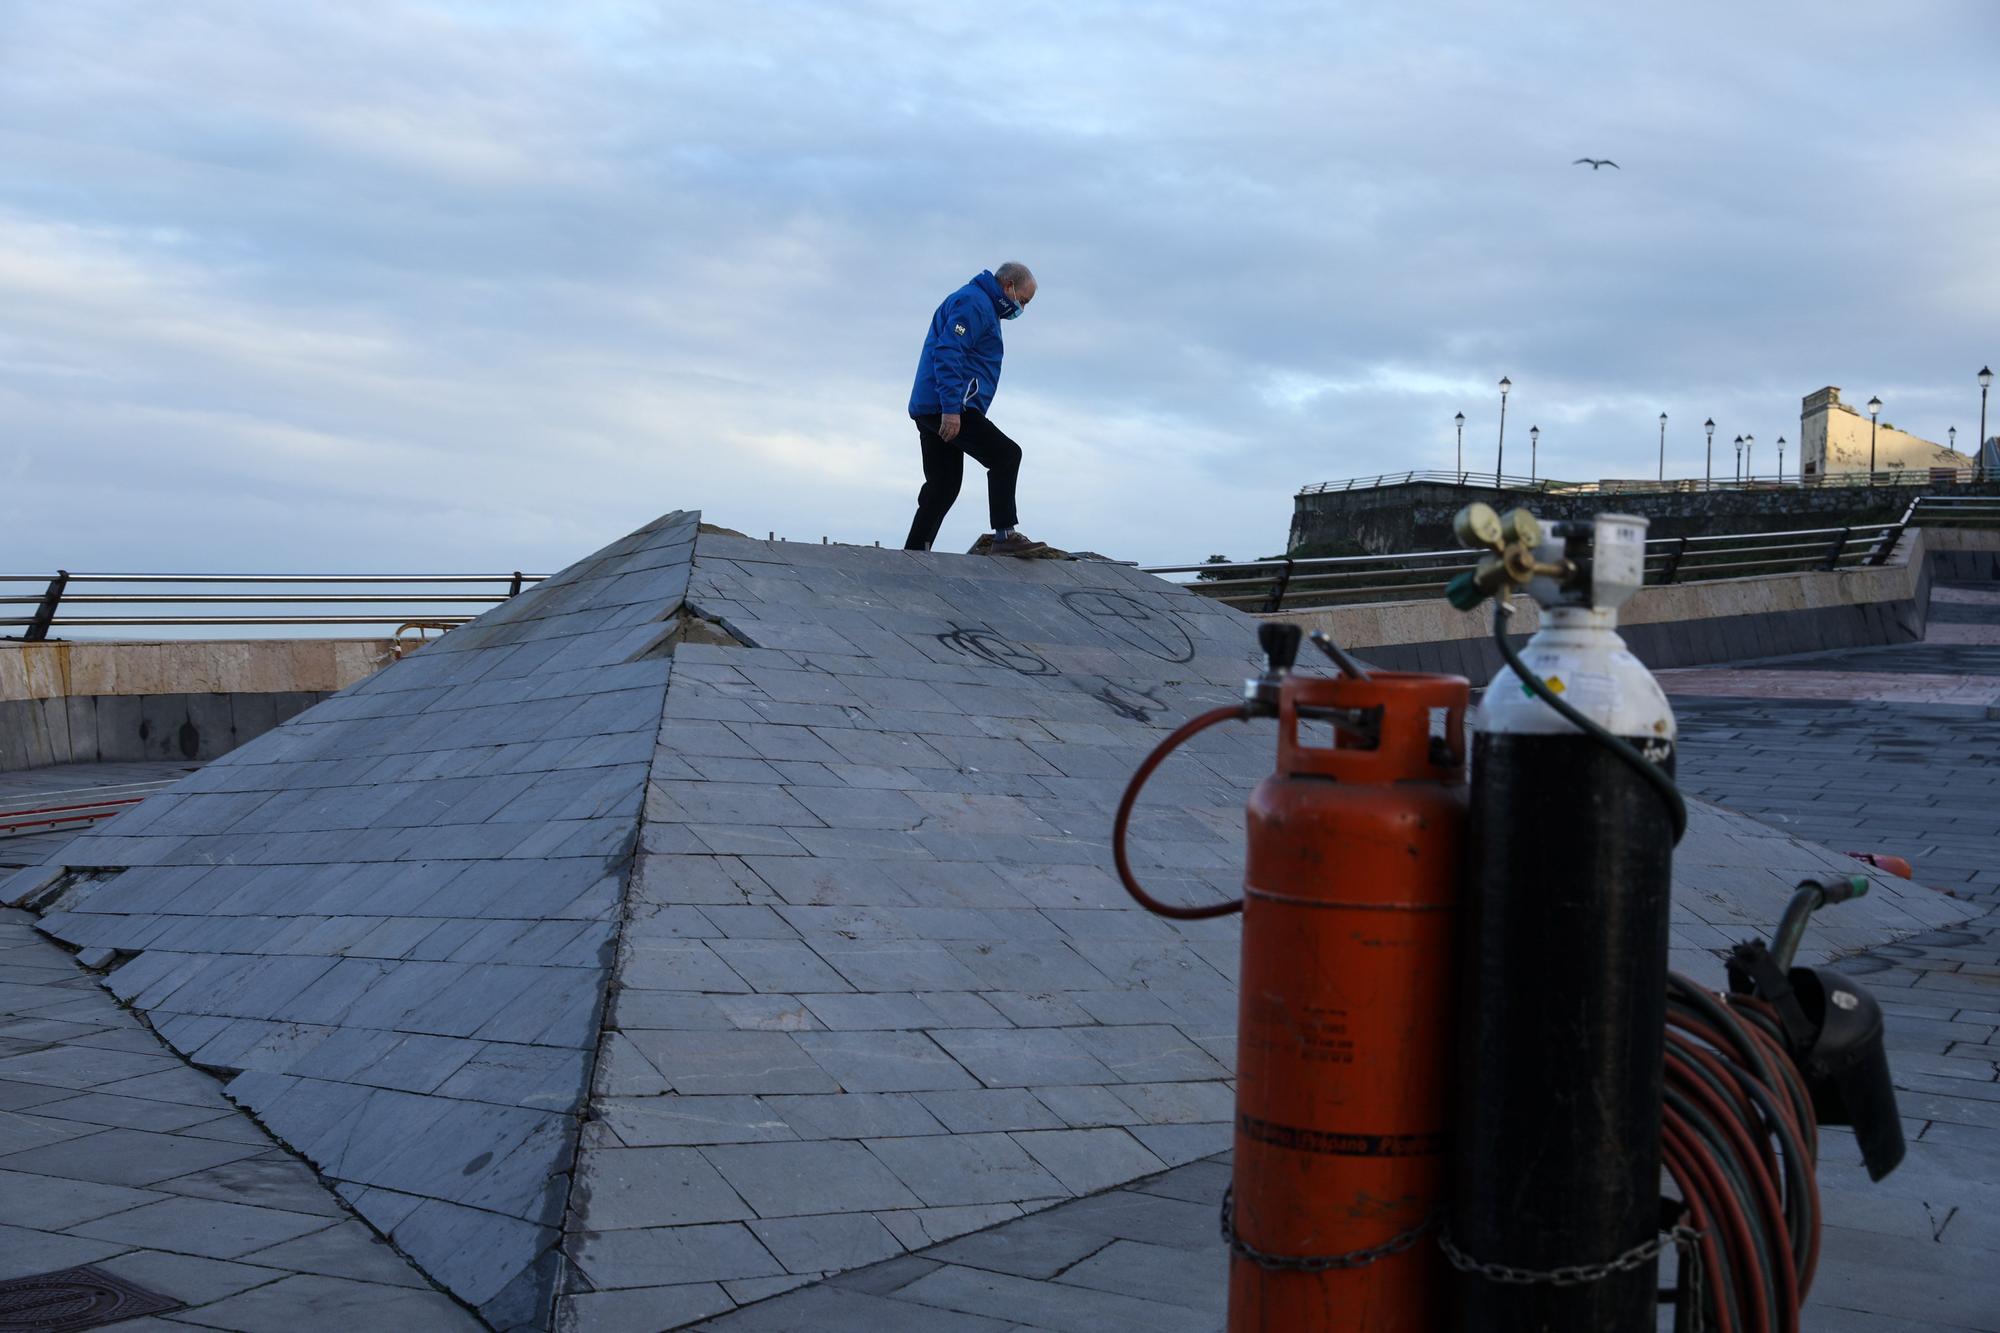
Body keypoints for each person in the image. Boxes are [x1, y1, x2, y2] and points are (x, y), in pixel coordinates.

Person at [902, 262, 1058, 556]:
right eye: (1023, 300)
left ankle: (914, 553)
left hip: (934, 404)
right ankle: (1004, 536)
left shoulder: (981, 304)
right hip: (948, 405)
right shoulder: (975, 302)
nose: (1022, 307)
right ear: (1008, 286)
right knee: (1006, 455)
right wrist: (950, 409)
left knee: (943, 486)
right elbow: (949, 350)